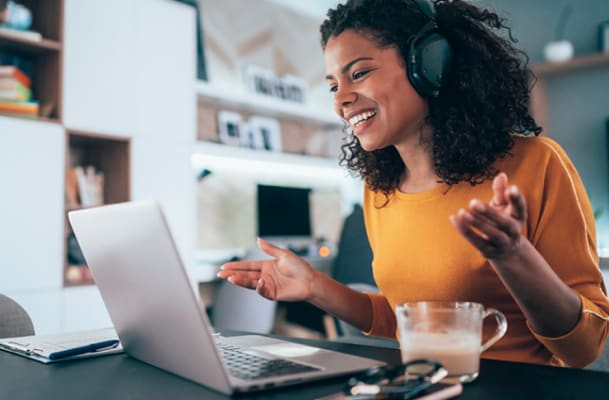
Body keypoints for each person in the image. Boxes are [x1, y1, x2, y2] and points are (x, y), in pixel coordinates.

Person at [218, 0, 609, 367]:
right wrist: (314, 286)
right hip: (422, 386)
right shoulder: (379, 190)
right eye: (334, 86)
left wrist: (513, 257)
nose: (342, 100)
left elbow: (585, 346)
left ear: (429, 64)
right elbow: (403, 321)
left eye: (359, 73)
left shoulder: (536, 163)